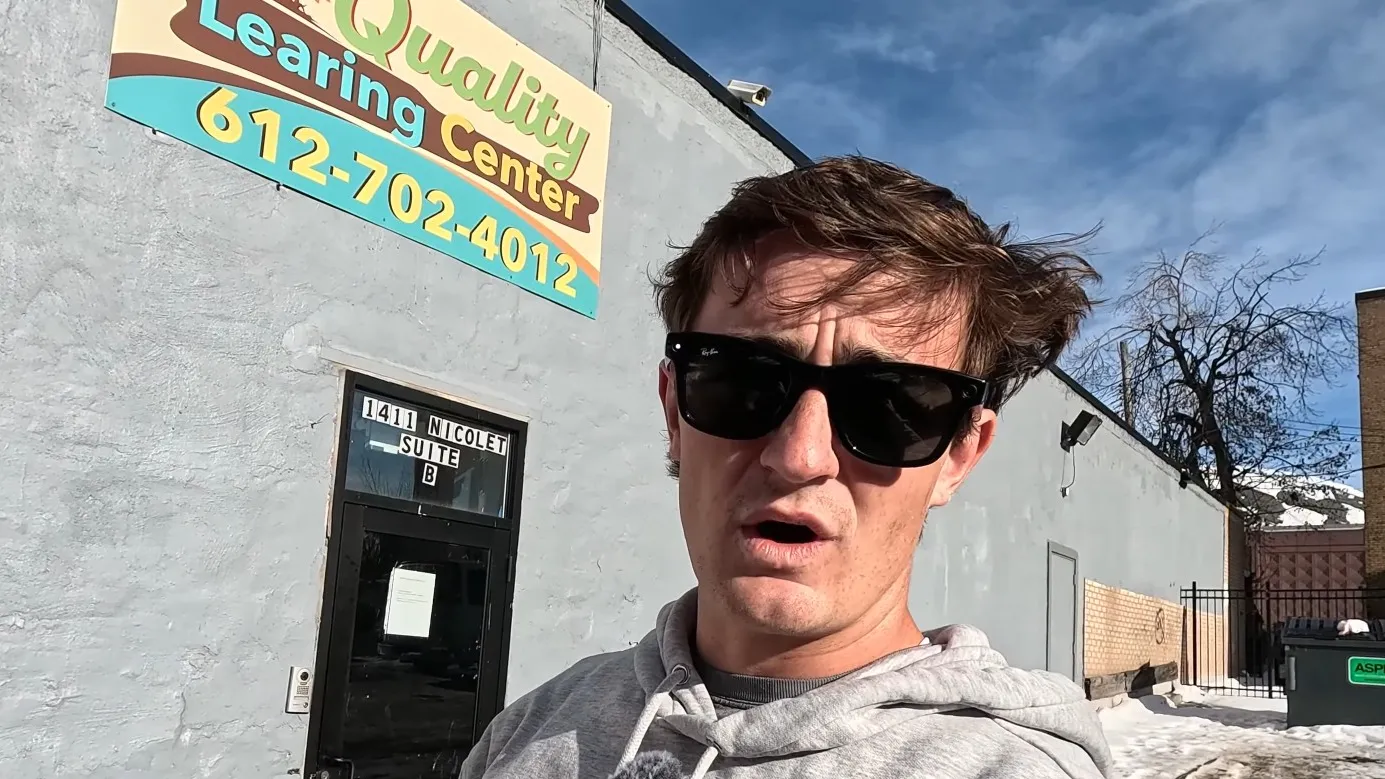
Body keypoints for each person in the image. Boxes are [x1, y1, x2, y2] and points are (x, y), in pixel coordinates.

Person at [460, 156, 1113, 779]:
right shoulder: (528, 732)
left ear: (957, 457)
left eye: (887, 406)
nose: (798, 457)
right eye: (742, 382)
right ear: (674, 413)